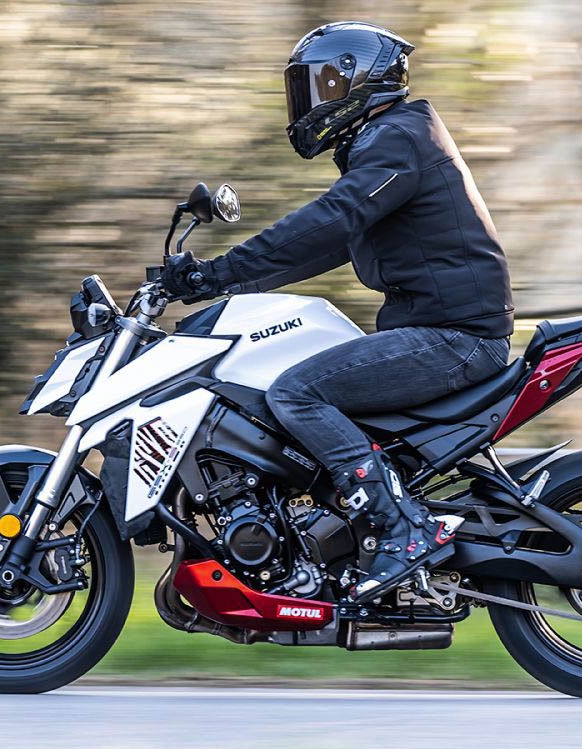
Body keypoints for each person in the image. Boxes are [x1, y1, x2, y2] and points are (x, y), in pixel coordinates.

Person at [161, 21, 514, 603]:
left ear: (356, 81)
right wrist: (211, 282)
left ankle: (400, 530)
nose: (309, 101)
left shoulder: (398, 139)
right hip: (440, 333)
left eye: (319, 85)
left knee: (296, 393)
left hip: (455, 339)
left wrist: (218, 272)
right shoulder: (394, 142)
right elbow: (324, 245)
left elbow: (331, 220)